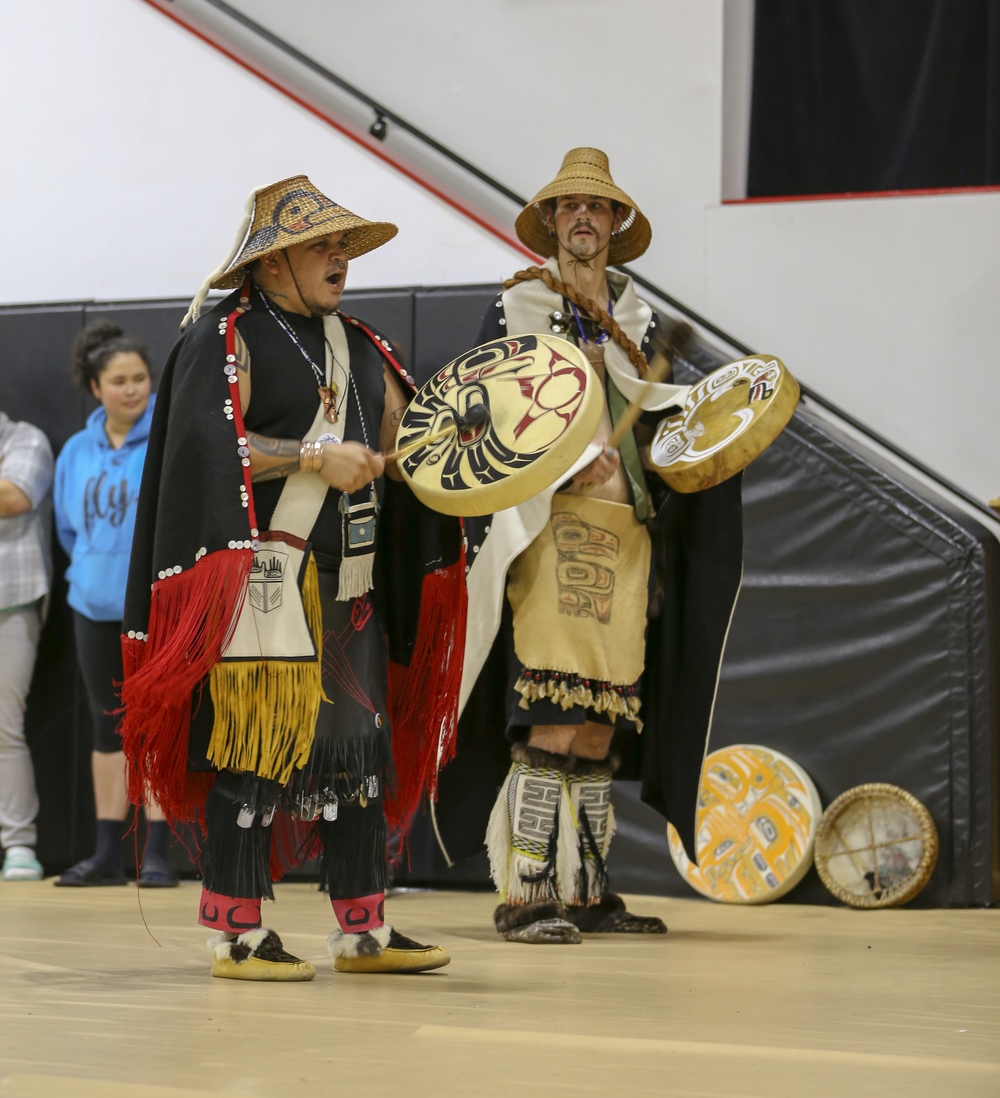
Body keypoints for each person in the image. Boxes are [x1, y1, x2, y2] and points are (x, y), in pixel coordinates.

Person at [122, 176, 458, 982]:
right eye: (323, 246)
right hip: (264, 579)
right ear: (273, 264)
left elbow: (407, 446)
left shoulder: (362, 345)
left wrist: (470, 453)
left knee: (358, 753)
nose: (340, 257)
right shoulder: (222, 336)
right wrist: (313, 455)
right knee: (259, 750)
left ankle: (363, 929)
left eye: (344, 244)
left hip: (353, 581)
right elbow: (210, 449)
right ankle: (236, 933)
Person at [453, 148, 744, 943]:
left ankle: (587, 892)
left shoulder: (638, 320)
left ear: (617, 223)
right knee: (550, 712)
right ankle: (527, 891)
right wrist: (563, 459)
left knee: (600, 720)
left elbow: (657, 421)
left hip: (627, 540)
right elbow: (477, 419)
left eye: (598, 206)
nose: (584, 217)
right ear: (550, 222)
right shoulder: (515, 310)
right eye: (569, 206)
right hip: (546, 535)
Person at [53, 323, 175, 888]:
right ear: (96, 387)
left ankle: (156, 854)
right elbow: (68, 530)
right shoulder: (77, 450)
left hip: (154, 608)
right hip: (91, 605)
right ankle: (106, 853)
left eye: (140, 379)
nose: (132, 390)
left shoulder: (168, 437)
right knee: (108, 729)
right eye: (119, 381)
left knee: (156, 725)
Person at [0, 408, 53, 881]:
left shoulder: (24, 438)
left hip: (9, 605)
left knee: (3, 727)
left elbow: (14, 496)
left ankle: (19, 843)